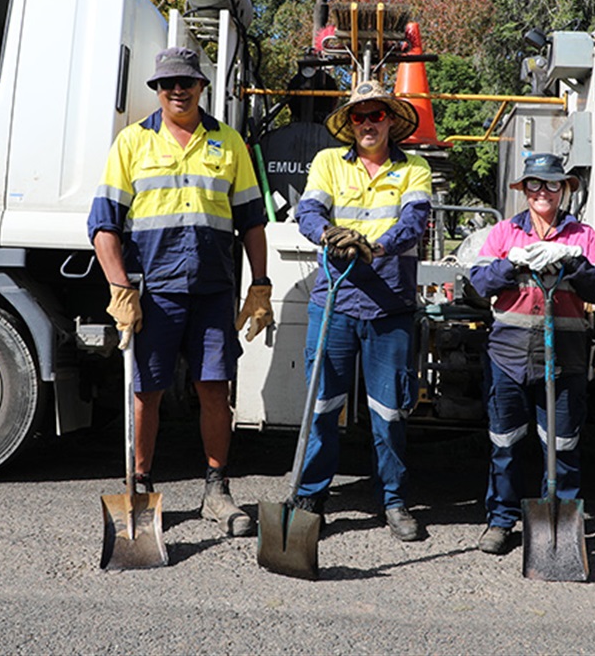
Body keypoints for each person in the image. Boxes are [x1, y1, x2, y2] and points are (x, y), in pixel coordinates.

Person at [88, 46, 273, 537]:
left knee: (214, 390)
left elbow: (252, 221)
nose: (177, 90)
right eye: (167, 82)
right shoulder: (132, 143)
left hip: (214, 292)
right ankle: (141, 488)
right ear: (157, 89)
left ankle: (216, 490)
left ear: (200, 87)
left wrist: (259, 284)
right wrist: (119, 288)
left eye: (186, 82)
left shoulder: (229, 142)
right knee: (146, 391)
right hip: (155, 294)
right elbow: (103, 225)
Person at [293, 79, 432, 542]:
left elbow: (414, 222)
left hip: (390, 306)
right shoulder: (327, 162)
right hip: (333, 303)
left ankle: (393, 500)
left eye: (376, 115)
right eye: (359, 116)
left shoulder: (414, 167)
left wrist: (376, 246)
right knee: (321, 405)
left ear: (391, 119)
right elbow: (308, 212)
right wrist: (329, 235)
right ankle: (310, 497)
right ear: (349, 124)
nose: (368, 123)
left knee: (389, 411)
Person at [468, 152, 595, 554]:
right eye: (534, 184)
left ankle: (561, 519)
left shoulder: (582, 236)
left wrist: (573, 262)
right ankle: (500, 522)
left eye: (552, 184)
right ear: (524, 190)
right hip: (508, 354)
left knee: (563, 444)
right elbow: (479, 281)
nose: (543, 192)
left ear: (564, 189)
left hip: (563, 355)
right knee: (505, 442)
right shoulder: (503, 234)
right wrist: (511, 264)